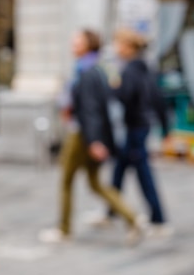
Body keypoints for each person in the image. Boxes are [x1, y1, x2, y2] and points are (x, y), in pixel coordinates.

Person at [39, 29, 141, 244]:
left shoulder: (87, 71)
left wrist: (94, 140)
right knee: (95, 183)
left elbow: (91, 109)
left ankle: (64, 229)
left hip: (81, 134)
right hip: (91, 133)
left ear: (89, 45)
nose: (72, 43)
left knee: (66, 179)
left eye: (78, 40)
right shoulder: (96, 68)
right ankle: (132, 218)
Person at [88, 28, 173, 237]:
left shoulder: (131, 71)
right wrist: (165, 128)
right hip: (140, 127)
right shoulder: (145, 68)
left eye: (118, 44)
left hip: (135, 129)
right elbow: (158, 100)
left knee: (144, 174)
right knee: (119, 169)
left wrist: (113, 85)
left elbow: (125, 96)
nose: (116, 49)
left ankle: (159, 219)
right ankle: (112, 211)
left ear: (128, 47)